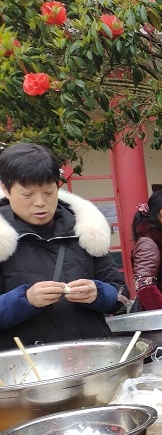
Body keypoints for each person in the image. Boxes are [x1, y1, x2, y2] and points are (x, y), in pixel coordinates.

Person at [0, 143, 127, 350]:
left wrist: (98, 293)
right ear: (6, 189)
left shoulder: (86, 229)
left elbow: (120, 294)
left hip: (92, 354)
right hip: (27, 368)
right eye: (28, 195)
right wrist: (26, 300)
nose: (40, 202)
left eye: (48, 192)